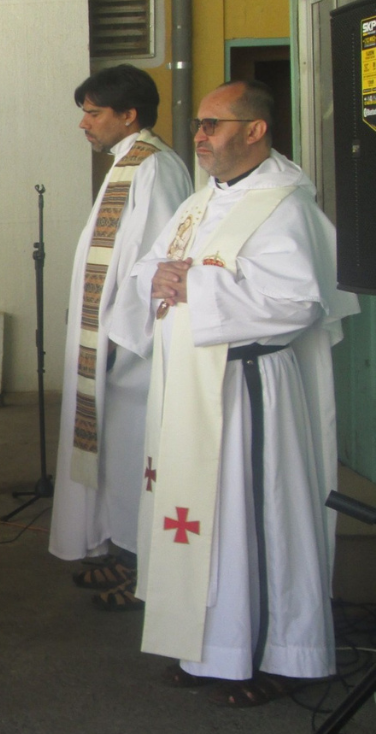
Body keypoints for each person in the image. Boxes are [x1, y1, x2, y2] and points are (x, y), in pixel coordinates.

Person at [115, 80, 359, 706]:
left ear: (255, 131)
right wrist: (159, 277)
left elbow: (298, 300)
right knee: (207, 527)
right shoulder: (203, 201)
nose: (199, 136)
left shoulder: (283, 204)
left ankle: (282, 655)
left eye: (214, 125)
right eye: (198, 123)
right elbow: (152, 265)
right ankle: (214, 650)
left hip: (246, 392)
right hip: (192, 389)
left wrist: (196, 288)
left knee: (260, 519)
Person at [48, 65, 191, 611]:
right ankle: (122, 548)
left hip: (134, 347)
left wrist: (119, 335)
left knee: (137, 457)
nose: (83, 124)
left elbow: (155, 260)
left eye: (93, 113)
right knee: (114, 454)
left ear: (128, 116)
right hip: (110, 339)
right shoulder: (126, 163)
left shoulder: (155, 168)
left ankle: (145, 564)